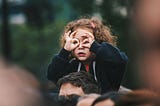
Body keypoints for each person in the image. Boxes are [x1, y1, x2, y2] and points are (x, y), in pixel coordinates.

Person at [47, 16, 128, 93]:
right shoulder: (72, 66)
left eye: (86, 42)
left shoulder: (106, 65)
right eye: (75, 42)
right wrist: (65, 51)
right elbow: (52, 75)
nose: (81, 46)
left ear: (97, 42)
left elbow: (120, 60)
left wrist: (95, 47)